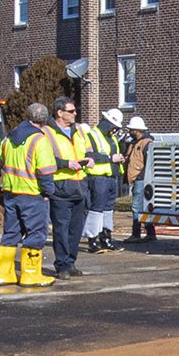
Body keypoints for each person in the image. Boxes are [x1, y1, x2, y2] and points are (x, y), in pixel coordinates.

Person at [0, 101, 59, 290]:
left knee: (11, 233)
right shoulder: (40, 141)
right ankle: (30, 275)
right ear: (45, 120)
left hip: (11, 193)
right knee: (36, 234)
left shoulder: (8, 139)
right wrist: (49, 193)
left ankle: (4, 274)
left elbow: (2, 164)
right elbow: (45, 172)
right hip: (33, 195)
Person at [44, 97, 91, 279]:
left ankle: (71, 262)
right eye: (71, 111)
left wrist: (90, 158)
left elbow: (88, 150)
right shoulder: (47, 133)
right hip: (61, 186)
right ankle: (62, 265)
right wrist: (66, 164)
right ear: (60, 112)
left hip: (79, 185)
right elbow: (46, 160)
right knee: (61, 228)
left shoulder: (79, 130)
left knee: (76, 229)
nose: (75, 114)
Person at [82, 107, 125, 254]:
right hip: (98, 177)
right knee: (97, 209)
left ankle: (106, 238)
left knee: (108, 210)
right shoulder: (91, 135)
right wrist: (110, 159)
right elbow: (88, 155)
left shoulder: (111, 138)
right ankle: (92, 240)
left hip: (110, 177)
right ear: (106, 123)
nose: (115, 130)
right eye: (114, 127)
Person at [123, 116, 153, 244]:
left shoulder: (145, 143)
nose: (129, 132)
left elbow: (148, 164)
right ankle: (150, 233)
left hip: (141, 180)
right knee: (143, 208)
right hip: (138, 179)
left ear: (137, 130)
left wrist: (140, 177)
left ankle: (136, 234)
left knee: (136, 207)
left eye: (131, 129)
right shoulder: (134, 143)